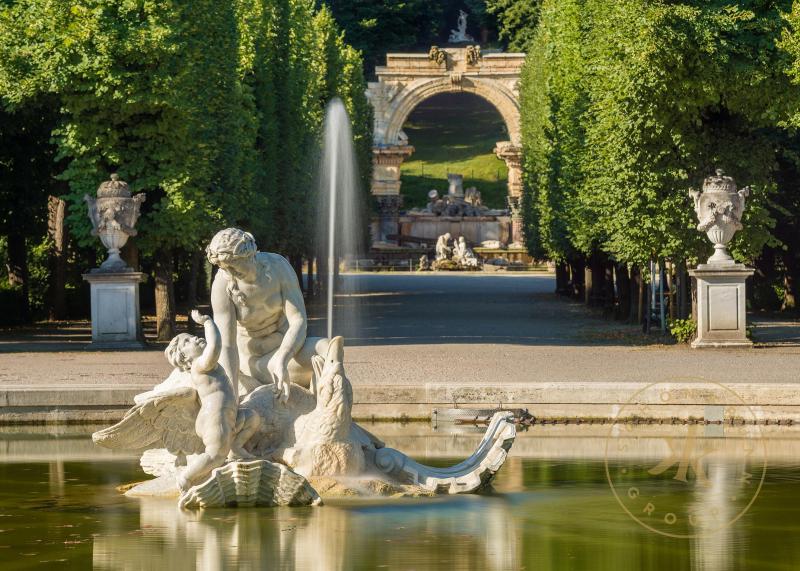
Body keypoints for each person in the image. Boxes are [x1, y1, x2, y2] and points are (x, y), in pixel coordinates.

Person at [206, 228, 329, 400]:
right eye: (224, 268)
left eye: (233, 266)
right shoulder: (222, 285)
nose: (230, 274)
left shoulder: (278, 266)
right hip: (255, 362)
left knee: (328, 349)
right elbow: (227, 346)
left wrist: (283, 358)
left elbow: (298, 320)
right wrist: (231, 396)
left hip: (288, 351)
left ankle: (320, 408)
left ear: (249, 255)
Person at [166, 311, 239, 492]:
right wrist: (207, 322)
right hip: (214, 416)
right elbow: (216, 346)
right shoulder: (200, 364)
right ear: (186, 359)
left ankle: (237, 451)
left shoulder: (204, 365)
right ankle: (186, 477)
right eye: (187, 342)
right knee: (215, 454)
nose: (194, 338)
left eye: (192, 336)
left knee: (252, 418)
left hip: (227, 413)